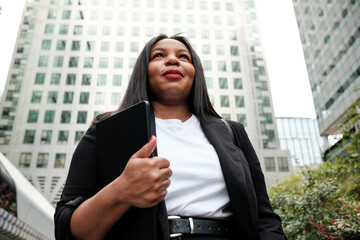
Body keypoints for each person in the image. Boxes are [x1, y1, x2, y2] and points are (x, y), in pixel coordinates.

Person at [54, 34, 287, 240]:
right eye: (158, 55)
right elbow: (67, 228)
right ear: (143, 71)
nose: (173, 60)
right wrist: (121, 190)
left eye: (184, 57)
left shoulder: (232, 131)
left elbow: (264, 219)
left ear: (196, 73)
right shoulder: (107, 129)